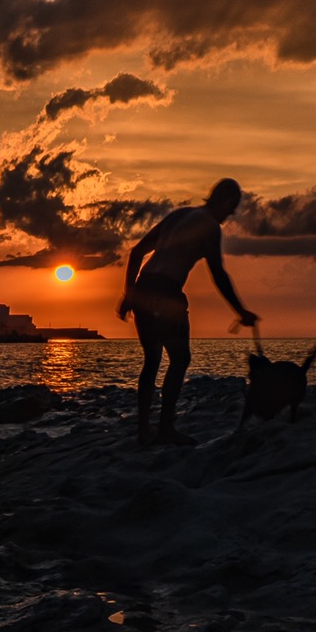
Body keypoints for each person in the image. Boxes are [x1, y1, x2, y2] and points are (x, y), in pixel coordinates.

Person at [119, 179, 259, 447]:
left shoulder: (179, 214)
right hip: (165, 293)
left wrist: (130, 295)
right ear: (225, 201)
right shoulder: (209, 228)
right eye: (233, 208)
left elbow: (137, 252)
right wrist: (241, 311)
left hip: (144, 287)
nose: (231, 215)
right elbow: (218, 273)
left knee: (152, 361)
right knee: (180, 359)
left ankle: (143, 431)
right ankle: (165, 430)